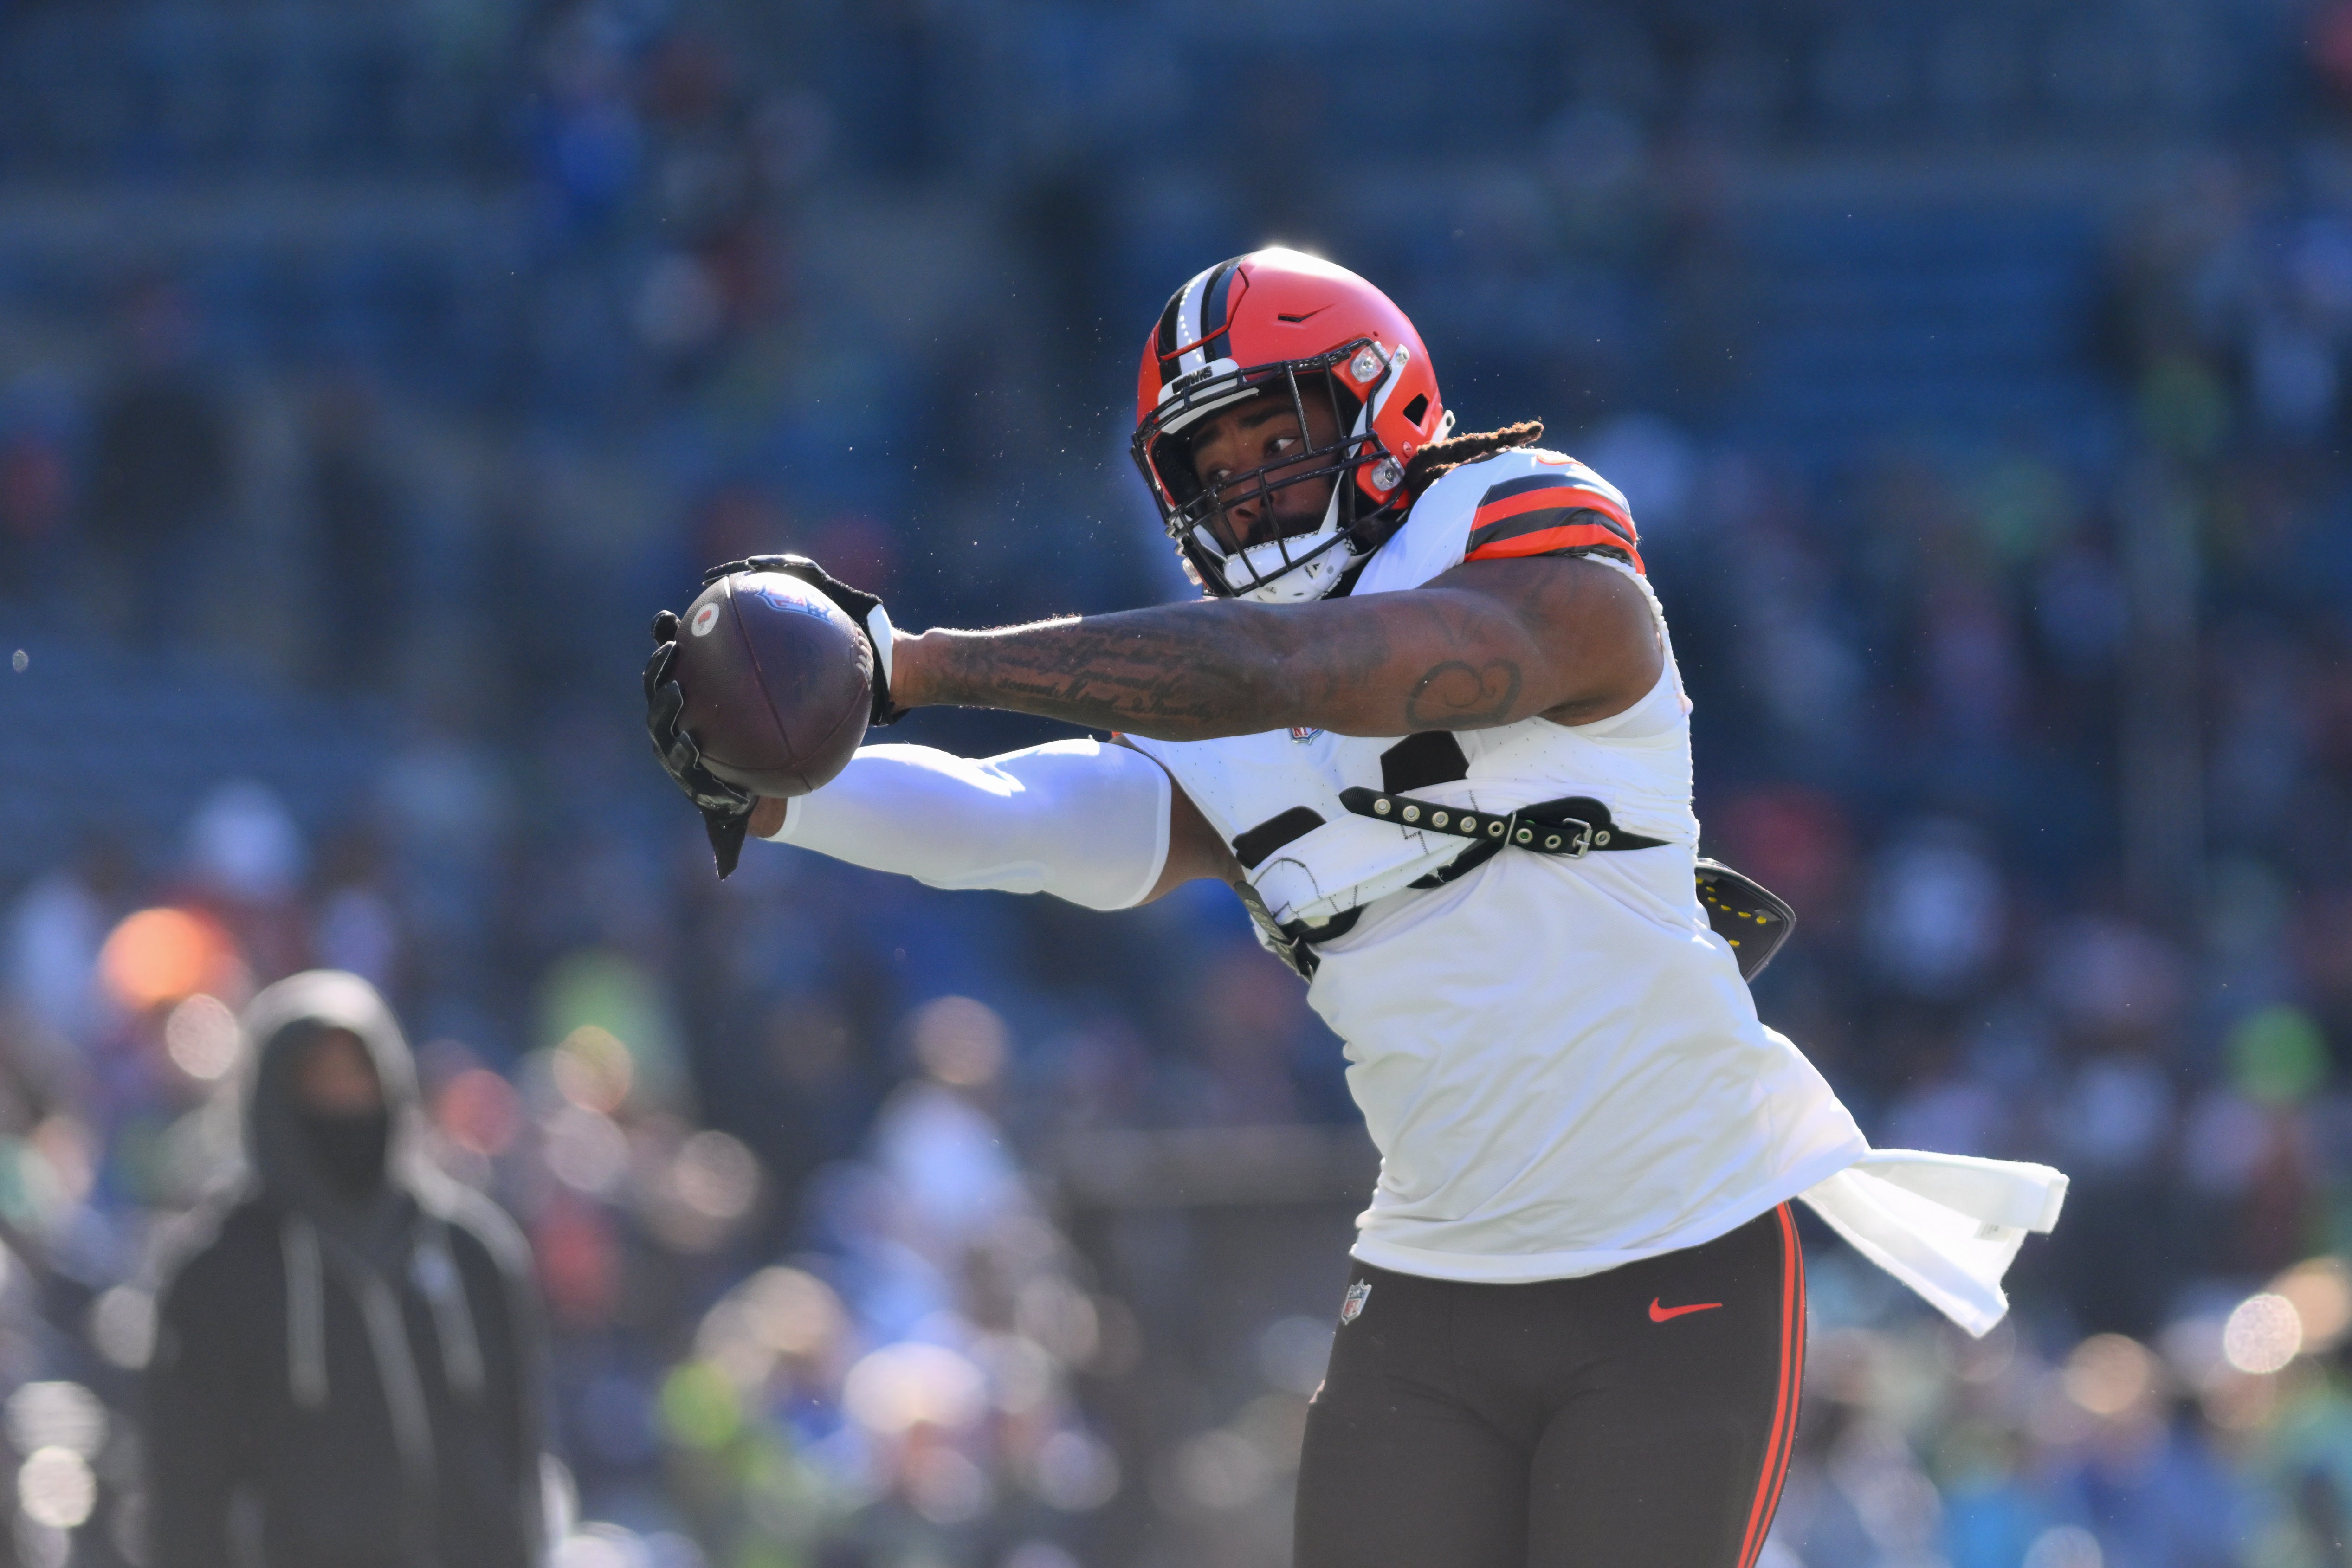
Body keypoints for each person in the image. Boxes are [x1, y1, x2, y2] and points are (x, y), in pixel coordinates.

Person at [643, 248, 2068, 1567]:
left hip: (1675, 1250)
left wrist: (913, 661)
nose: (1251, 484)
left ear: (1385, 406)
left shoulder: (1526, 533)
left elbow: (1306, 671)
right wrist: (774, 783)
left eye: (1277, 434)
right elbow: (1018, 823)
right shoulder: (1219, 702)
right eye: (1212, 461)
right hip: (1437, 1276)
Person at [147, 971, 545, 1568]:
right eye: (318, 1081)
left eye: (359, 1076)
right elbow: (186, 1494)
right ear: (273, 1099)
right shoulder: (217, 1273)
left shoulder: (472, 1252)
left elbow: (520, 1454)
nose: (343, 1099)